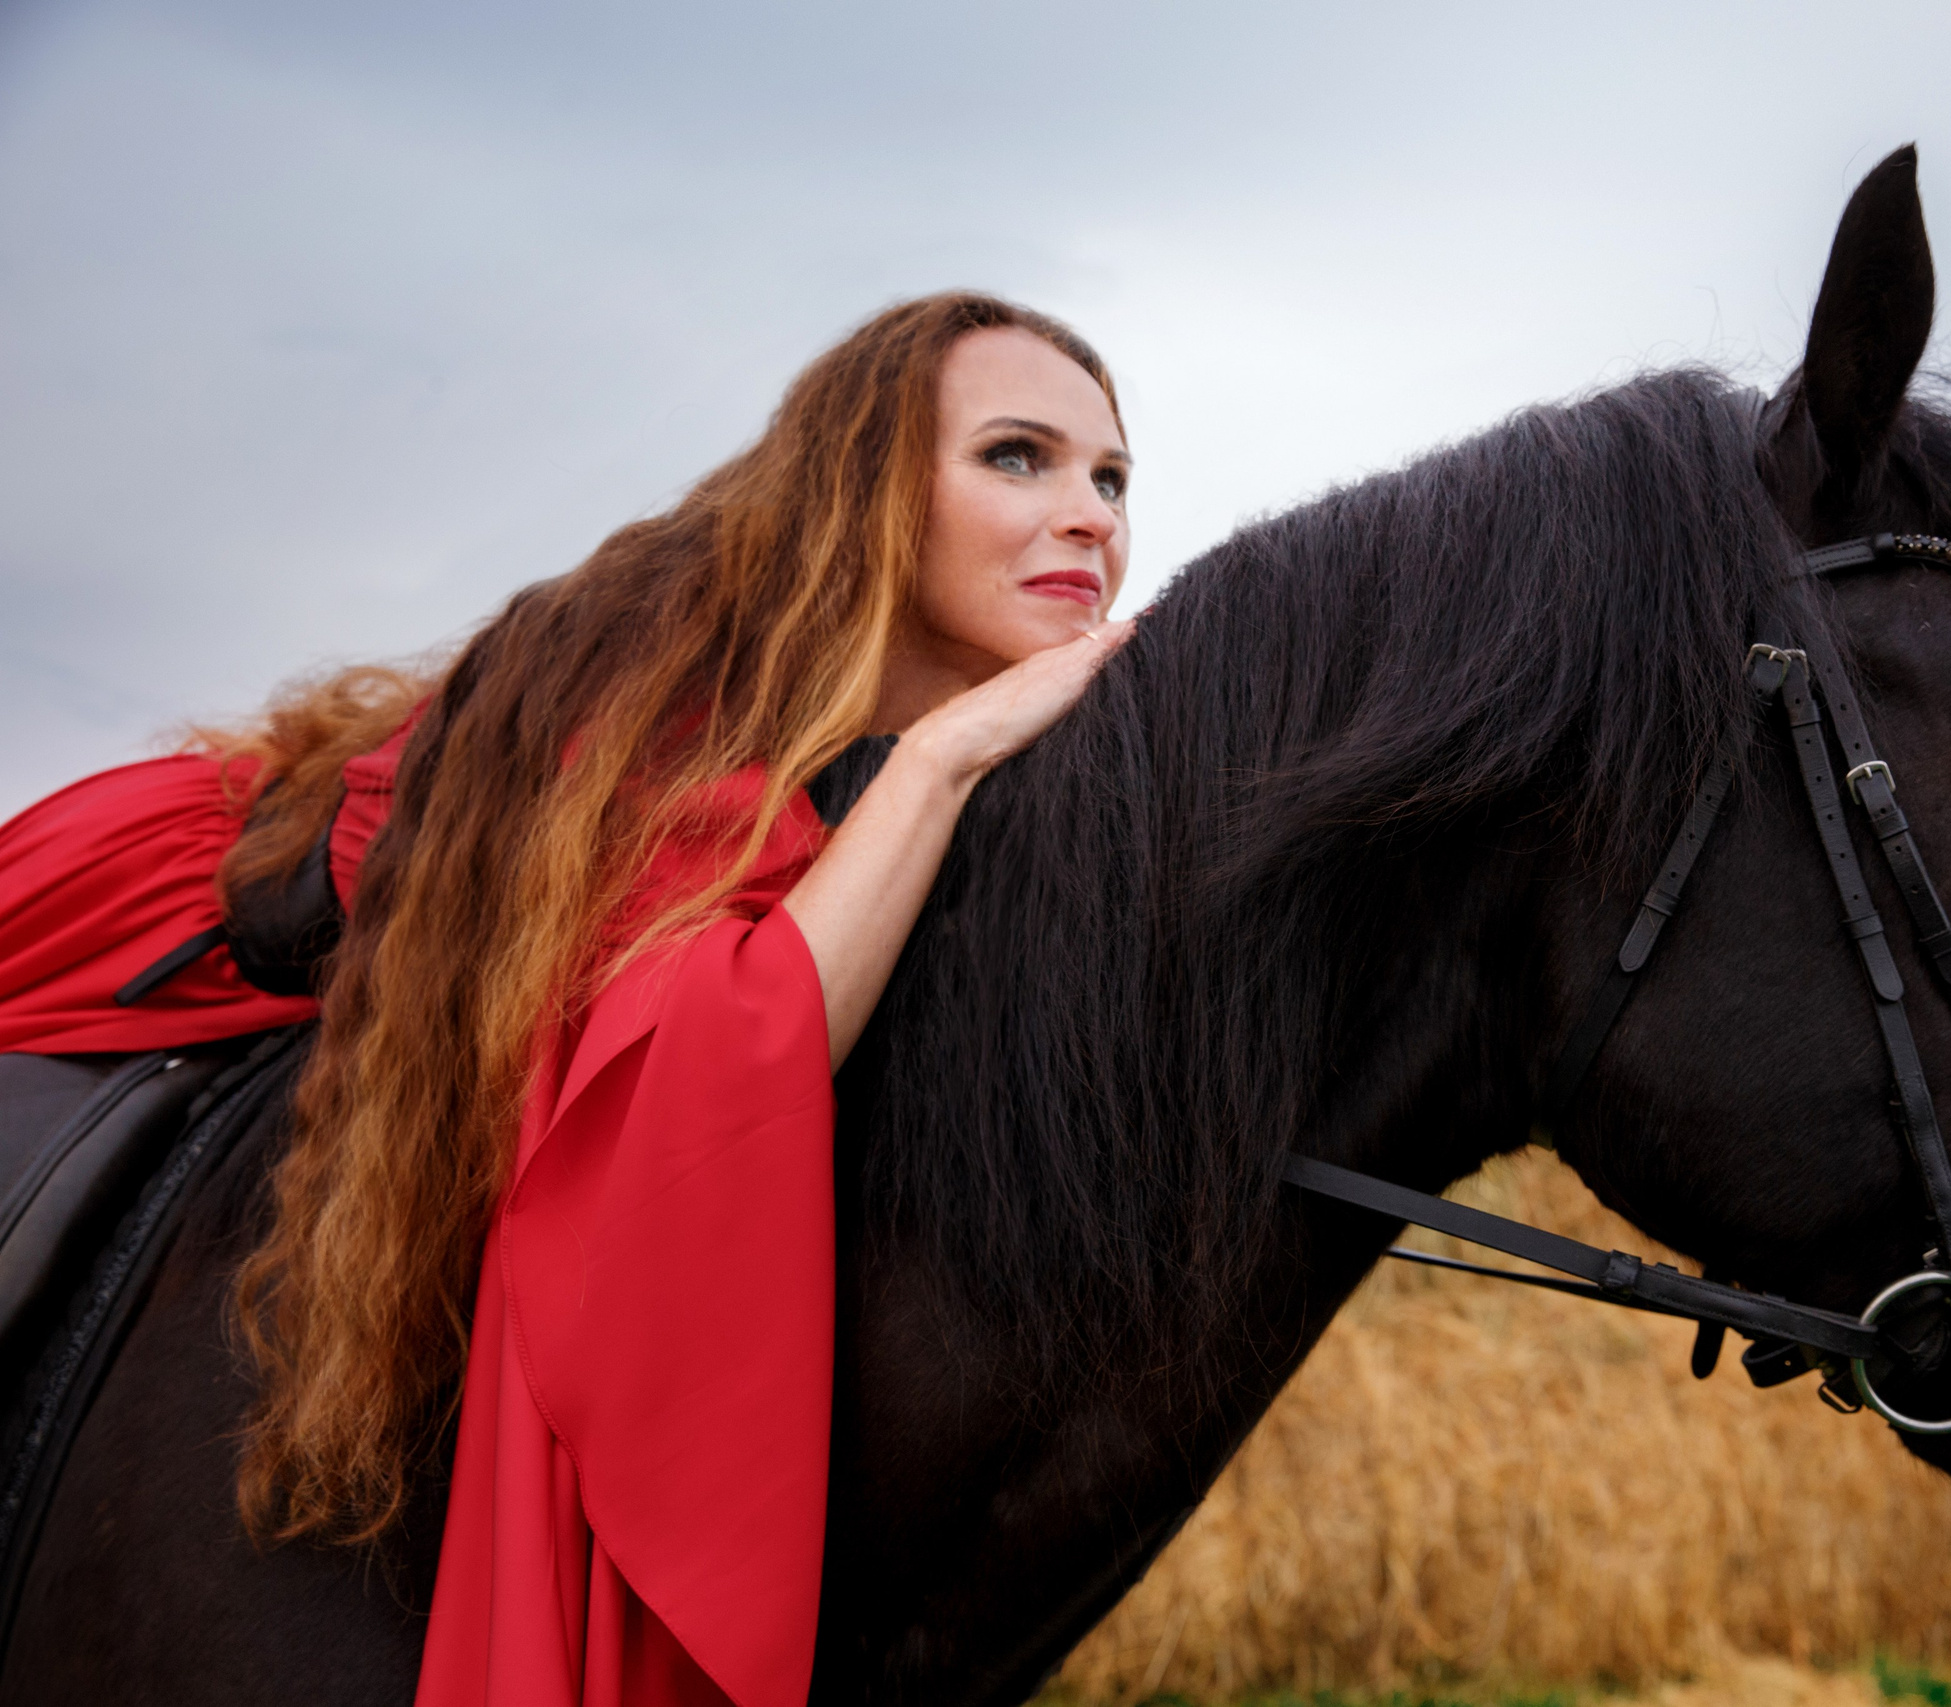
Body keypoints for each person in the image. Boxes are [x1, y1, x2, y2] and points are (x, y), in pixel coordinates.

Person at [0, 292, 1136, 1707]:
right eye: (1018, 457)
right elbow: (708, 1051)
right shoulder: (676, 682)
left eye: (1110, 476)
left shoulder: (910, 725)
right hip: (137, 911)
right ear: (867, 492)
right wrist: (941, 762)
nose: (1089, 514)